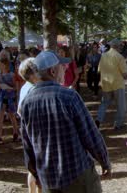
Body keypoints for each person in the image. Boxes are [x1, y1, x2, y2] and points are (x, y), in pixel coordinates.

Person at [20, 50, 111, 192]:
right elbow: (90, 134)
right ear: (53, 71)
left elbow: (27, 145)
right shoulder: (68, 96)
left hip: (48, 179)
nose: (65, 69)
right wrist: (104, 161)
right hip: (77, 175)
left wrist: (35, 174)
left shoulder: (26, 103)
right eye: (62, 66)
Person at [17, 57, 42, 193]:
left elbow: (19, 110)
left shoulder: (25, 87)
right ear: (32, 74)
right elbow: (21, 110)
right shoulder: (32, 89)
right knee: (37, 168)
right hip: (35, 133)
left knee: (33, 168)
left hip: (29, 132)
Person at [96, 38, 127, 130]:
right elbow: (125, 74)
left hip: (106, 83)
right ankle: (118, 124)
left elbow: (99, 70)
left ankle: (98, 119)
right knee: (121, 106)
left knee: (104, 103)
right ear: (117, 46)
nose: (121, 47)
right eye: (120, 46)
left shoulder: (103, 55)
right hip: (117, 84)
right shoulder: (119, 57)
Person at [0, 59, 19, 144]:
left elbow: (15, 87)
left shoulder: (12, 75)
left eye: (3, 64)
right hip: (2, 97)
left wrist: (10, 89)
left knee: (12, 116)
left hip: (10, 97)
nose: (2, 66)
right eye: (0, 65)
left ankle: (15, 133)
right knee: (0, 117)